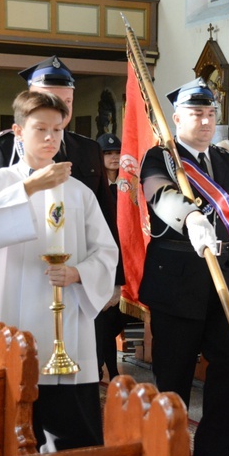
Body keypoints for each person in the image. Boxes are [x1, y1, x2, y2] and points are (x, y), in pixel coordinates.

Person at [0, 91, 118, 451]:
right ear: (18, 130)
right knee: (7, 427)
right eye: (40, 129)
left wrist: (78, 273)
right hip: (9, 316)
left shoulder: (80, 193)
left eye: (57, 129)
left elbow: (106, 251)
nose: (51, 138)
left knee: (72, 436)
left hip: (66, 327)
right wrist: (31, 186)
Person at [138, 78, 229, 456]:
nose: (206, 121)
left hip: (222, 281)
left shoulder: (226, 162)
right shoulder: (160, 157)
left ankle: (214, 455)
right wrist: (190, 216)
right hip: (176, 278)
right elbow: (159, 194)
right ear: (176, 118)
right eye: (197, 113)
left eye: (211, 113)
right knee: (173, 377)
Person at [0, 55, 122, 305]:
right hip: (19, 274)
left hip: (76, 280)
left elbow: (105, 217)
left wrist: (112, 277)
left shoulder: (87, 149)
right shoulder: (2, 148)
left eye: (66, 103)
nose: (60, 113)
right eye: (51, 101)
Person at [94, 132, 126, 380]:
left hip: (129, 259)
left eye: (117, 152)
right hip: (104, 257)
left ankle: (111, 367)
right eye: (108, 153)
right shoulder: (95, 186)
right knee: (102, 319)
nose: (114, 157)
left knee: (116, 319)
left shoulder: (129, 184)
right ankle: (105, 368)